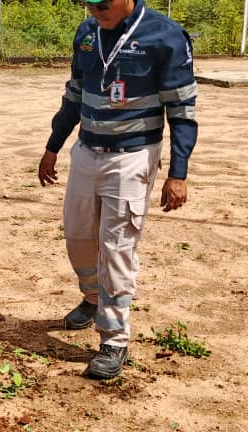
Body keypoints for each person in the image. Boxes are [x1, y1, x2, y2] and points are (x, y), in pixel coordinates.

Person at [38, 0, 197, 380]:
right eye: (87, 3)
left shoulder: (165, 36)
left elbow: (182, 110)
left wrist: (178, 172)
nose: (95, 9)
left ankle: (114, 339)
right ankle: (93, 298)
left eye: (102, 3)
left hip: (132, 157)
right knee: (77, 237)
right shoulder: (87, 32)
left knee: (117, 249)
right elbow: (74, 93)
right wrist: (53, 144)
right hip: (87, 151)